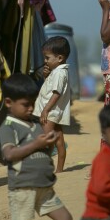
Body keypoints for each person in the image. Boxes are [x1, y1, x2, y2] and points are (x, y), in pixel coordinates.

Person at [0, 73, 75, 220]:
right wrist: (37, 144)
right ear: (9, 103)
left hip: (44, 187)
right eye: (26, 105)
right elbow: (10, 155)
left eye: (32, 104)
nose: (31, 109)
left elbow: (41, 149)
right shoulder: (8, 128)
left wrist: (49, 143)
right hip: (22, 187)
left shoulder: (34, 124)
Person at [33, 36, 73, 173]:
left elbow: (56, 93)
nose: (45, 61)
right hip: (56, 111)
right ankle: (59, 169)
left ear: (60, 58)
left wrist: (45, 110)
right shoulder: (59, 72)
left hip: (50, 112)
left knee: (47, 140)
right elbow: (51, 88)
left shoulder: (59, 73)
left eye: (47, 58)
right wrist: (46, 76)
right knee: (59, 141)